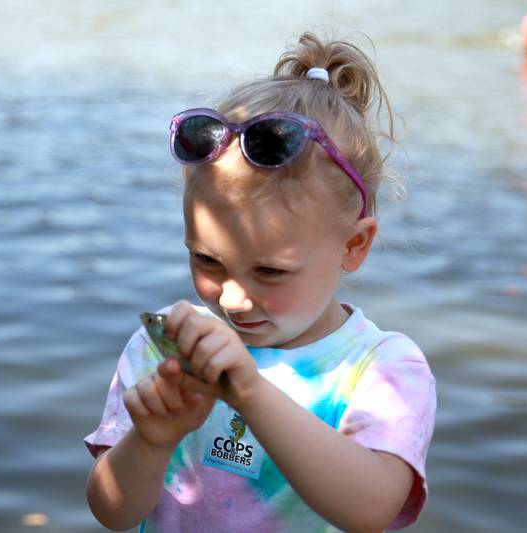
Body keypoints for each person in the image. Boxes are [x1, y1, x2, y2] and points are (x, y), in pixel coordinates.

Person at [84, 31, 436, 533]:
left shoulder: (381, 368)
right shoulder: (166, 349)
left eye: (269, 270)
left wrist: (249, 392)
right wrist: (151, 440)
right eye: (207, 260)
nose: (231, 296)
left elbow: (371, 509)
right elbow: (111, 510)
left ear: (353, 247)